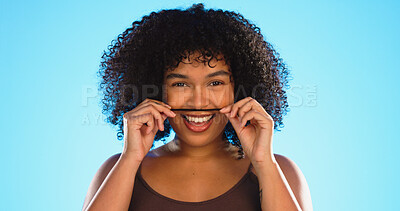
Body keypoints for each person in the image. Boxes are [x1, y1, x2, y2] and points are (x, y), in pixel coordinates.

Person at [82, 3, 313, 211]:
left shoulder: (280, 171)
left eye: (215, 83)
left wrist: (263, 163)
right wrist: (130, 158)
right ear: (155, 89)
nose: (199, 101)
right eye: (180, 83)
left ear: (240, 89)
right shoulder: (117, 169)